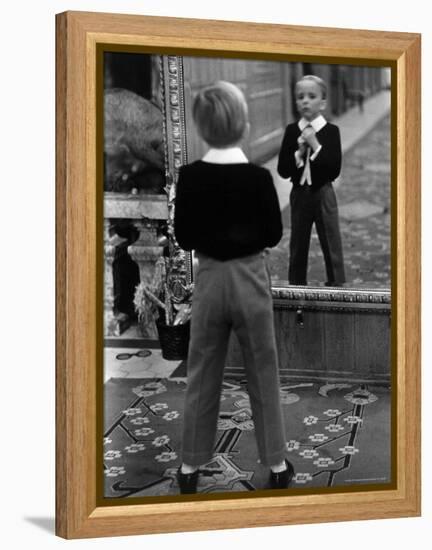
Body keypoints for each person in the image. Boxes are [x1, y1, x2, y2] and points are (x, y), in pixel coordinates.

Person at [174, 81, 294, 494]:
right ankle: (276, 463)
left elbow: (184, 237)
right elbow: (274, 234)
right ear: (243, 126)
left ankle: (189, 467)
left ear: (201, 129)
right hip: (250, 280)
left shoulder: (188, 177)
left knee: (202, 371)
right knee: (263, 370)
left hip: (208, 281)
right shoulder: (259, 179)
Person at [277, 74, 346, 286]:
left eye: (311, 96)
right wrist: (297, 153)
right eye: (300, 97)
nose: (305, 101)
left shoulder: (331, 132)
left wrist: (315, 145)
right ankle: (297, 286)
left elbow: (333, 170)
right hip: (299, 194)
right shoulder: (291, 131)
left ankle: (336, 284)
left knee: (331, 242)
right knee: (297, 244)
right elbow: (282, 171)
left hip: (324, 193)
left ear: (323, 102)